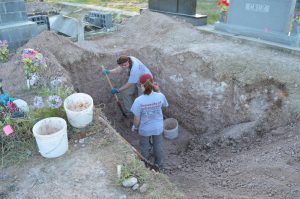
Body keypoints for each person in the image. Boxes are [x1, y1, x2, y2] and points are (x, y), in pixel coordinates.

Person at [130, 74, 168, 170]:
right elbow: (165, 105)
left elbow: (137, 119)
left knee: (144, 146)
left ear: (142, 85)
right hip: (158, 128)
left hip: (145, 129)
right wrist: (158, 90)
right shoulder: (160, 96)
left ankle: (145, 165)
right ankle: (159, 165)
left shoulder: (138, 101)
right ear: (153, 83)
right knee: (158, 146)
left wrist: (134, 126)